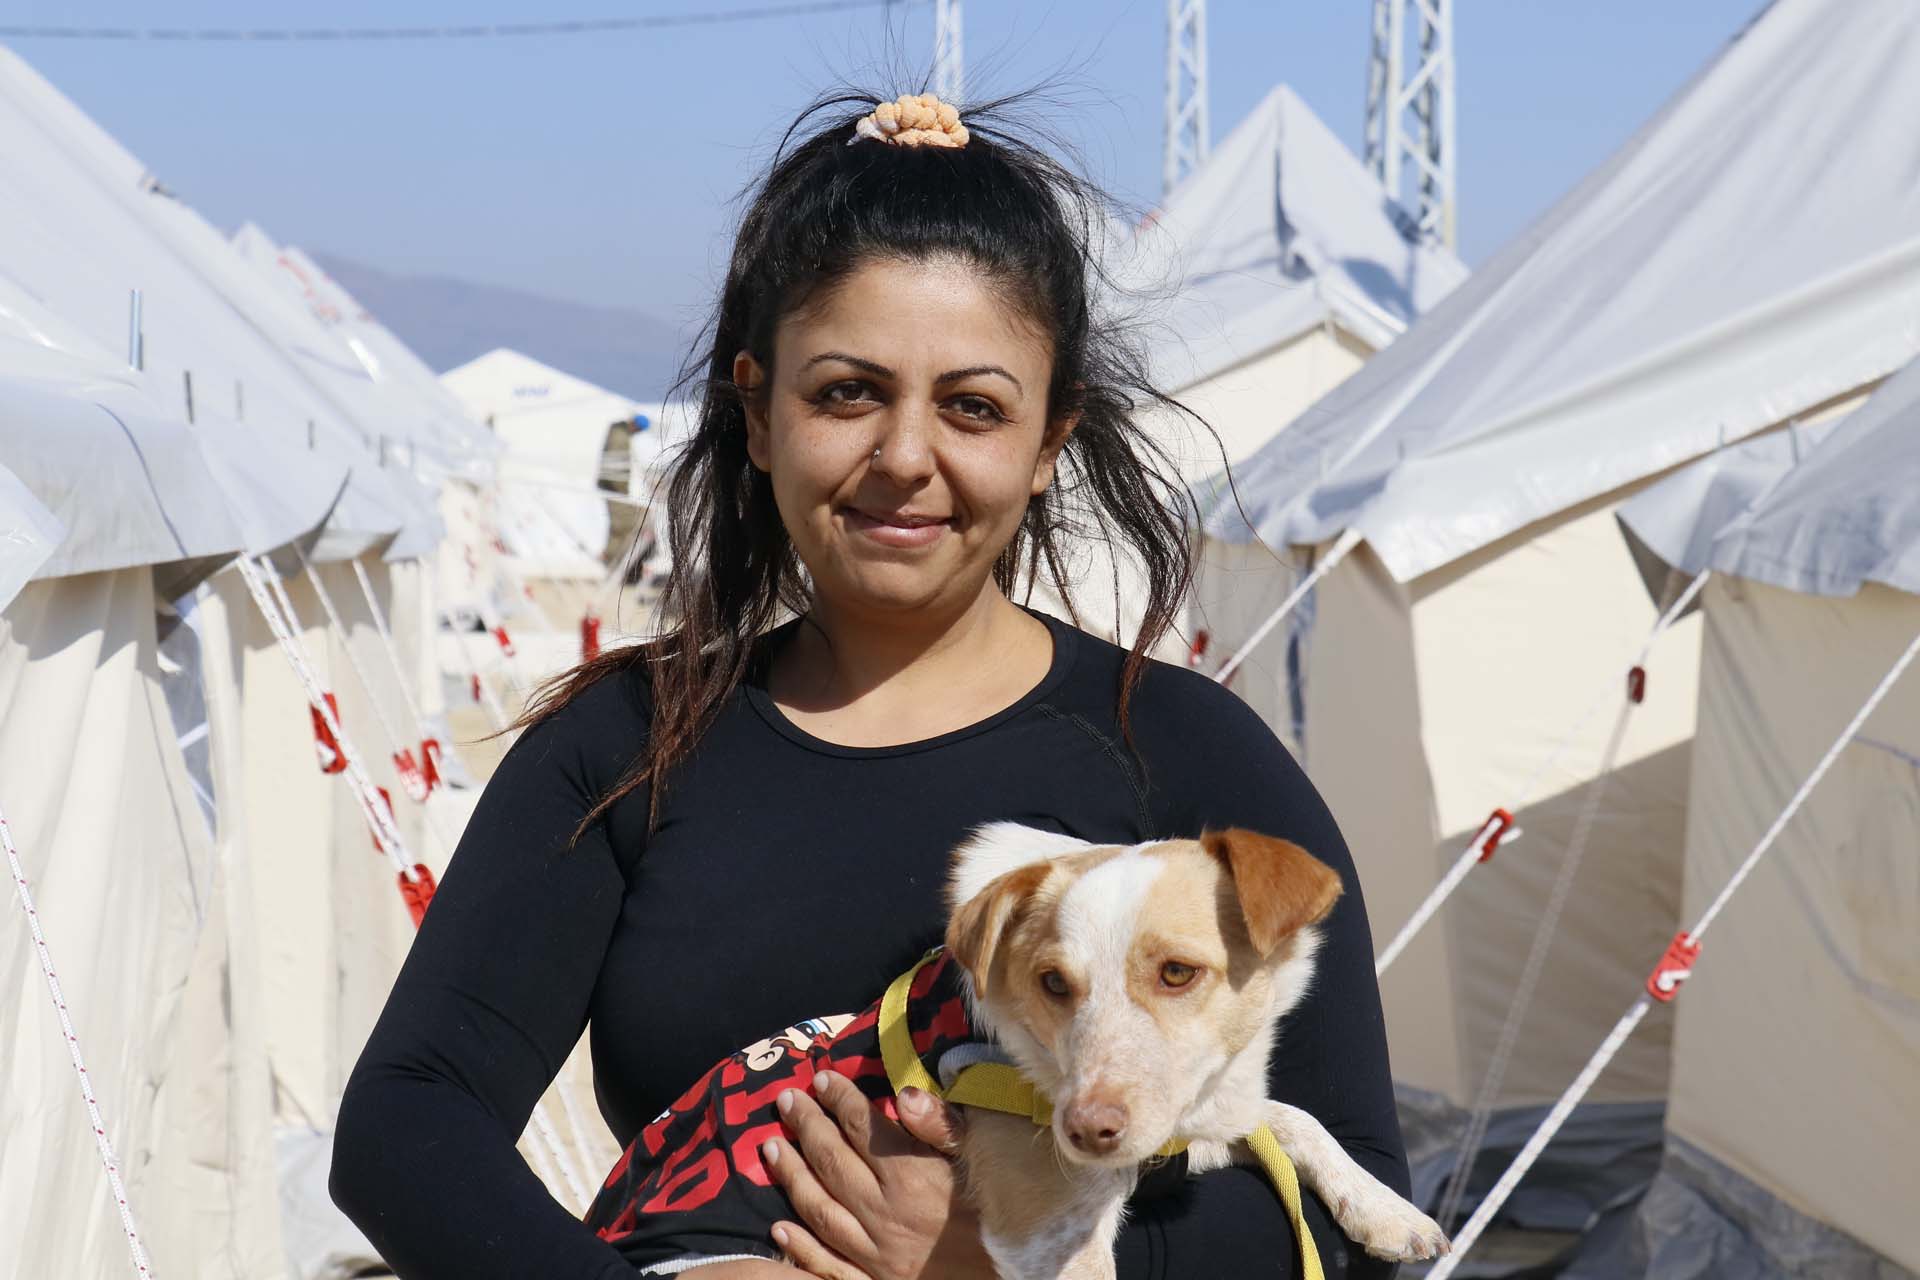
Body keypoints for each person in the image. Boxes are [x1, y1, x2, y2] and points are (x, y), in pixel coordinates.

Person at [330, 89, 1409, 1279]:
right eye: (847, 391)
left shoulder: (1186, 756)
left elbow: (1360, 1202)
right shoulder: (629, 743)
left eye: (973, 407)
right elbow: (406, 1121)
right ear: (755, 409)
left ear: (1052, 440)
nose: (905, 456)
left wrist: (990, 1261)